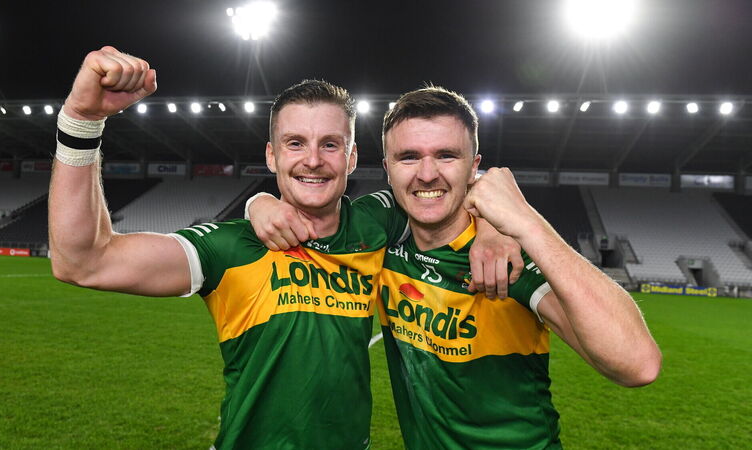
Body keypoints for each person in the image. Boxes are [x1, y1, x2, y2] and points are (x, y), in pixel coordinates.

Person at [47, 47, 518, 448]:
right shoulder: (230, 246)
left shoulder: (377, 222)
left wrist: (494, 228)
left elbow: (453, 184)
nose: (313, 160)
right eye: (295, 143)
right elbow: (83, 261)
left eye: (330, 144)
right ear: (272, 156)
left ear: (352, 157)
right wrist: (83, 121)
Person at [248, 86, 662, 448]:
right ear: (387, 168)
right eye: (409, 157)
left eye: (446, 155)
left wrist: (525, 224)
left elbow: (638, 365)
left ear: (473, 165)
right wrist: (259, 202)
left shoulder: (510, 260)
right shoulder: (378, 233)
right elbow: (312, 212)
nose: (427, 174)